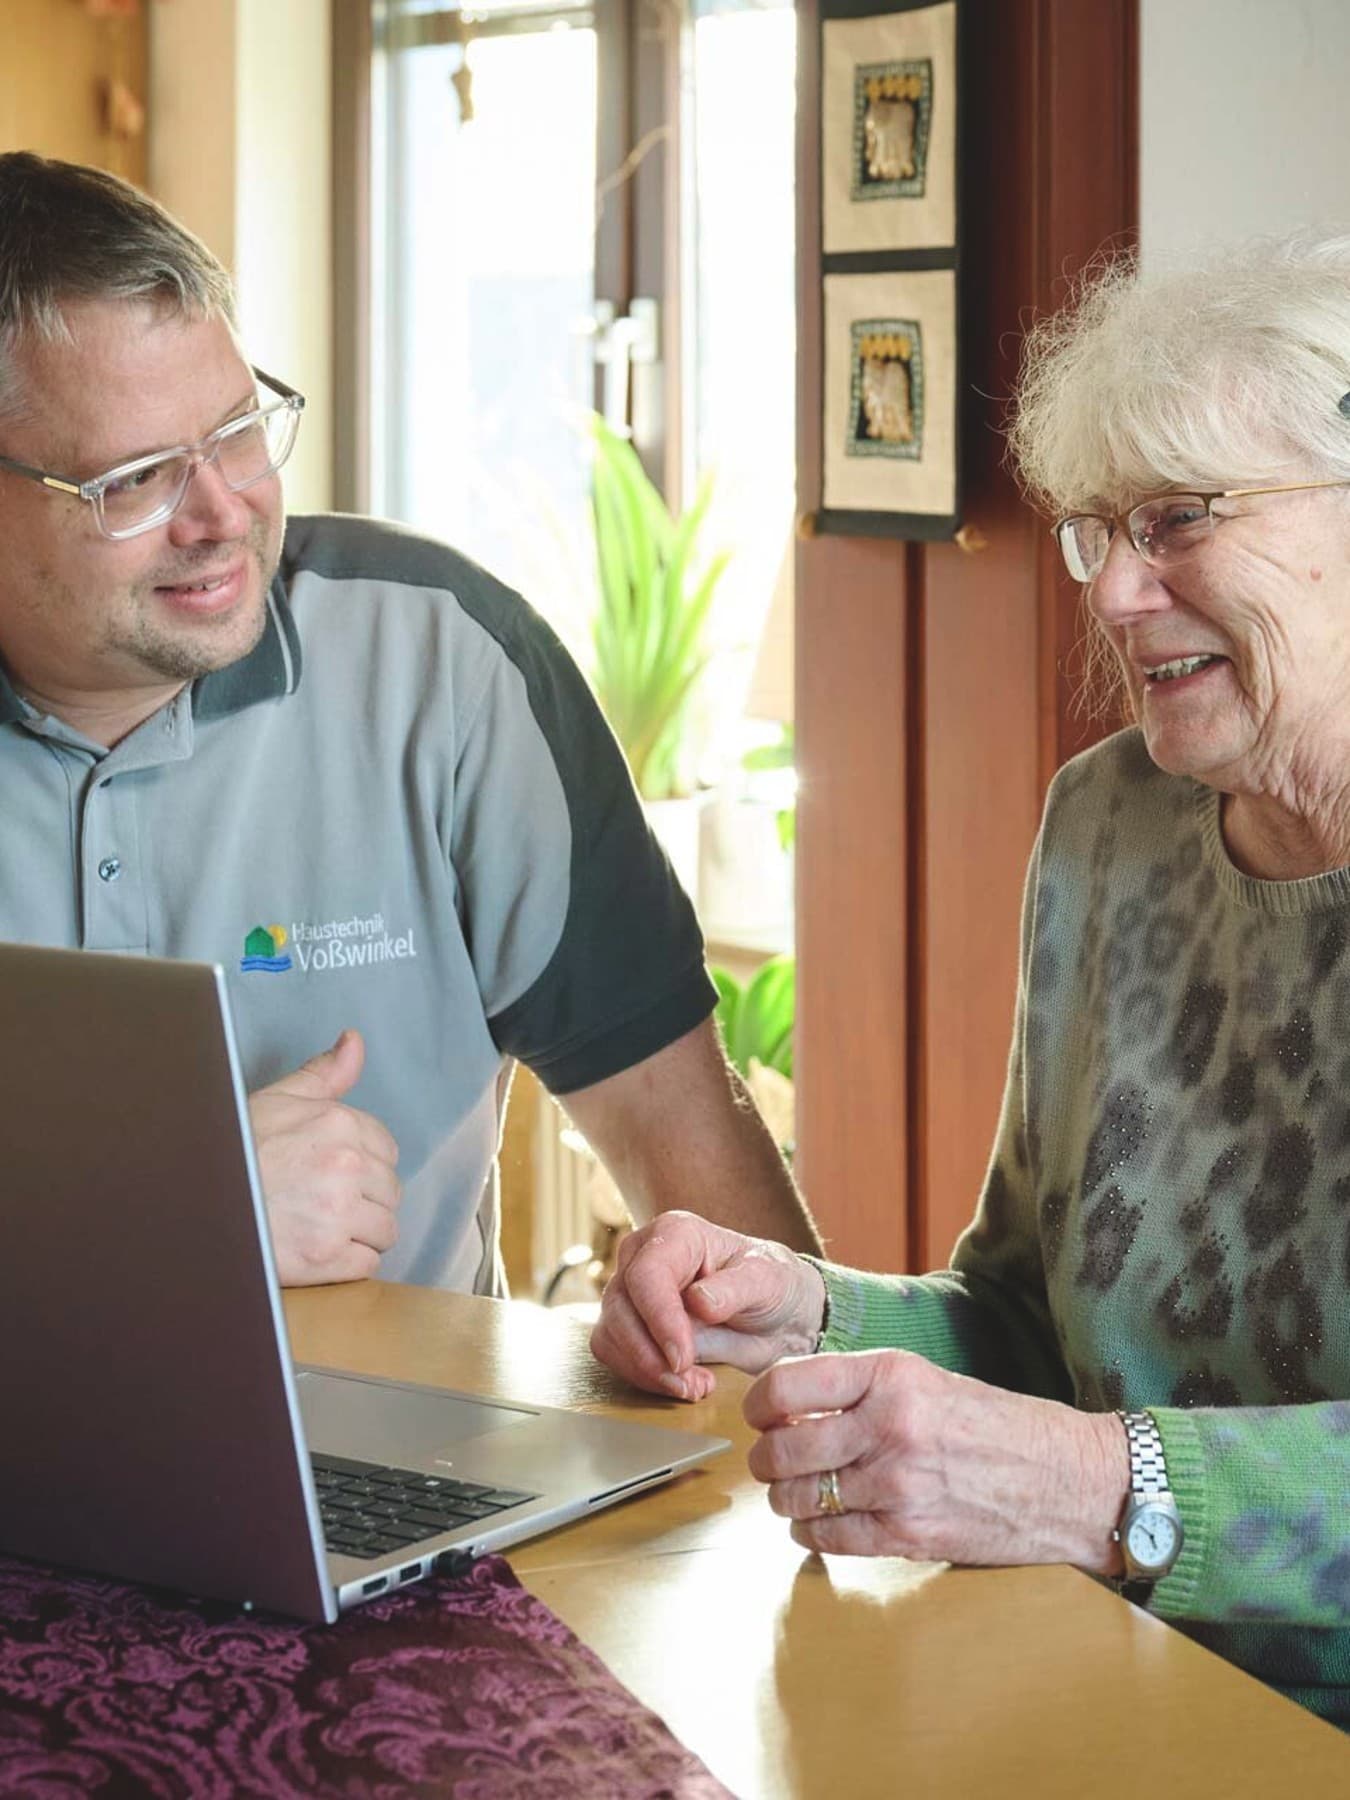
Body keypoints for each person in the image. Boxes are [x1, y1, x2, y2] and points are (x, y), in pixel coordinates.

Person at [591, 233, 1350, 1731]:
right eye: (1096, 530)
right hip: (1105, 1691)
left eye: (1180, 520)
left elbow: (1078, 1456)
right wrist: (802, 1317)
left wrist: (1094, 1490)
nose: (1118, 592)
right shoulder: (1109, 824)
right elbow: (1024, 1321)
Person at [0, 151, 820, 1293]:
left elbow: (690, 1157)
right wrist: (181, 1209)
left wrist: (749, 1368)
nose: (223, 511)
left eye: (238, 428)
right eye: (136, 479)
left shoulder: (449, 667)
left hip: (416, 1462)